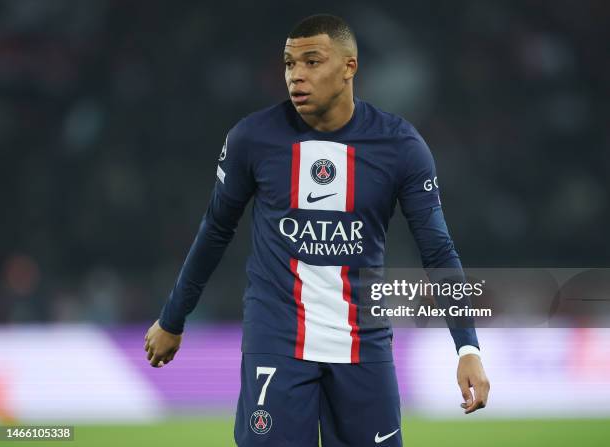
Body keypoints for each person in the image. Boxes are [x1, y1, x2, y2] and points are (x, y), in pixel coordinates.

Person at [144, 13, 490, 446]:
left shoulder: (400, 146)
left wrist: (467, 348)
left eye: (312, 61)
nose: (296, 76)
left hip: (362, 344)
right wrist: (173, 318)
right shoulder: (253, 139)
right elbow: (215, 230)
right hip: (277, 341)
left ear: (350, 67)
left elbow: (438, 251)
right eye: (289, 64)